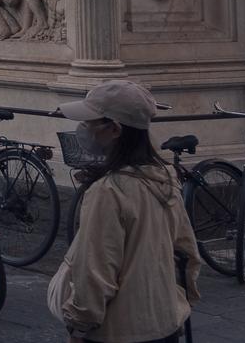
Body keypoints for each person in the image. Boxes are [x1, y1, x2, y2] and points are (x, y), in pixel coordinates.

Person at [50, 79, 200, 342]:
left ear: (115, 130)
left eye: (90, 123)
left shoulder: (108, 191)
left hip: (116, 331)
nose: (83, 129)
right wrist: (178, 303)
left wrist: (80, 324)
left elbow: (94, 270)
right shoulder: (166, 180)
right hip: (164, 322)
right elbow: (186, 253)